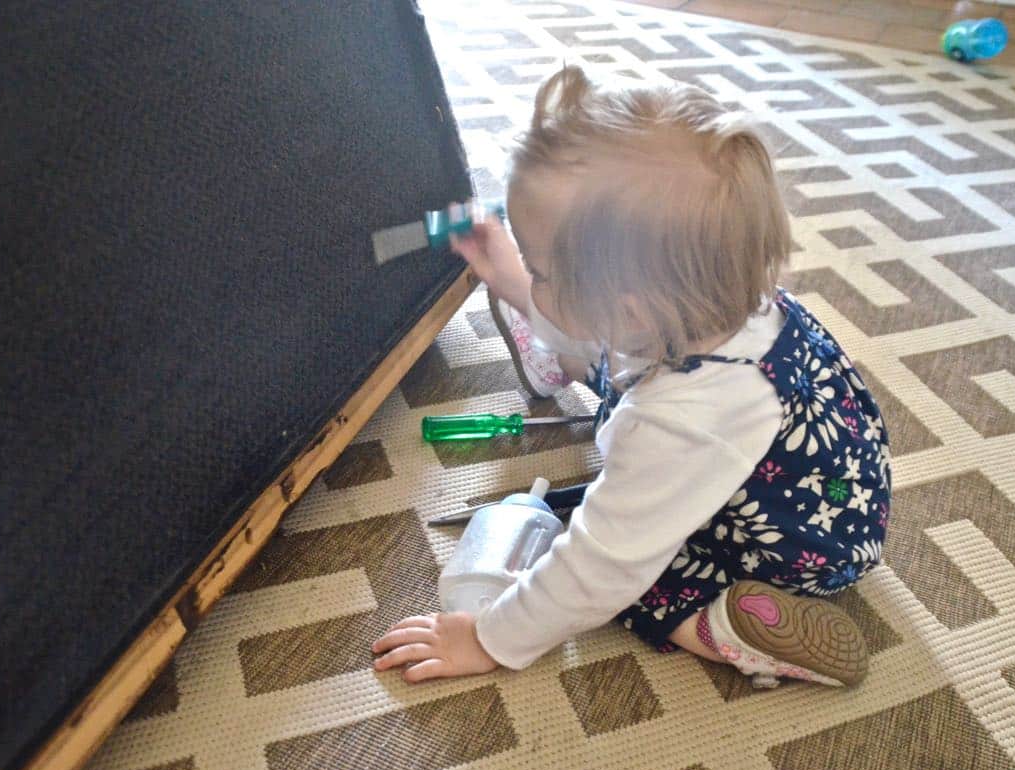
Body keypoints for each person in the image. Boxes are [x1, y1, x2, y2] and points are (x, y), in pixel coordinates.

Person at [372, 66, 890, 689]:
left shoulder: (677, 421)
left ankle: (728, 623)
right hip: (831, 491)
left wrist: (490, 636)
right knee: (597, 357)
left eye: (539, 271)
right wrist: (511, 274)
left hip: (792, 549)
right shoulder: (708, 302)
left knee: (632, 578)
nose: (530, 281)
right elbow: (602, 325)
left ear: (629, 310)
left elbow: (598, 567)